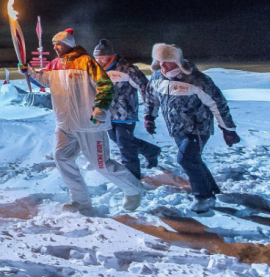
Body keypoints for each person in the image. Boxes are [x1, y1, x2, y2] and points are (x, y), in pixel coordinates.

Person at [20, 28, 143, 212]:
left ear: (68, 44)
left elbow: (104, 85)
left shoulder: (87, 62)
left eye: (58, 44)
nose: (55, 48)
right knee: (61, 158)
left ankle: (134, 190)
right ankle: (80, 201)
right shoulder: (54, 64)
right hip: (64, 124)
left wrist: (101, 107)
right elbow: (43, 80)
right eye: (53, 44)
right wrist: (29, 72)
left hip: (89, 124)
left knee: (101, 165)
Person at [144, 43, 239, 214]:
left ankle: (204, 197)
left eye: (166, 61)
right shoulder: (157, 77)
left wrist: (228, 129)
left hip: (198, 128)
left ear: (177, 61)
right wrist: (149, 117)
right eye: (159, 60)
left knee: (186, 159)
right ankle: (212, 189)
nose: (162, 65)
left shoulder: (197, 80)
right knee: (194, 159)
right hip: (176, 129)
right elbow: (152, 98)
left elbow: (218, 104)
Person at [93, 39, 161, 180]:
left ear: (110, 56)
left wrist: (148, 113)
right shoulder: (97, 70)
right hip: (108, 114)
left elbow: (145, 88)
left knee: (125, 145)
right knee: (118, 140)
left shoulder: (127, 69)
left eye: (101, 58)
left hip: (126, 114)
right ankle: (151, 151)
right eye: (96, 58)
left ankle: (132, 176)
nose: (98, 60)